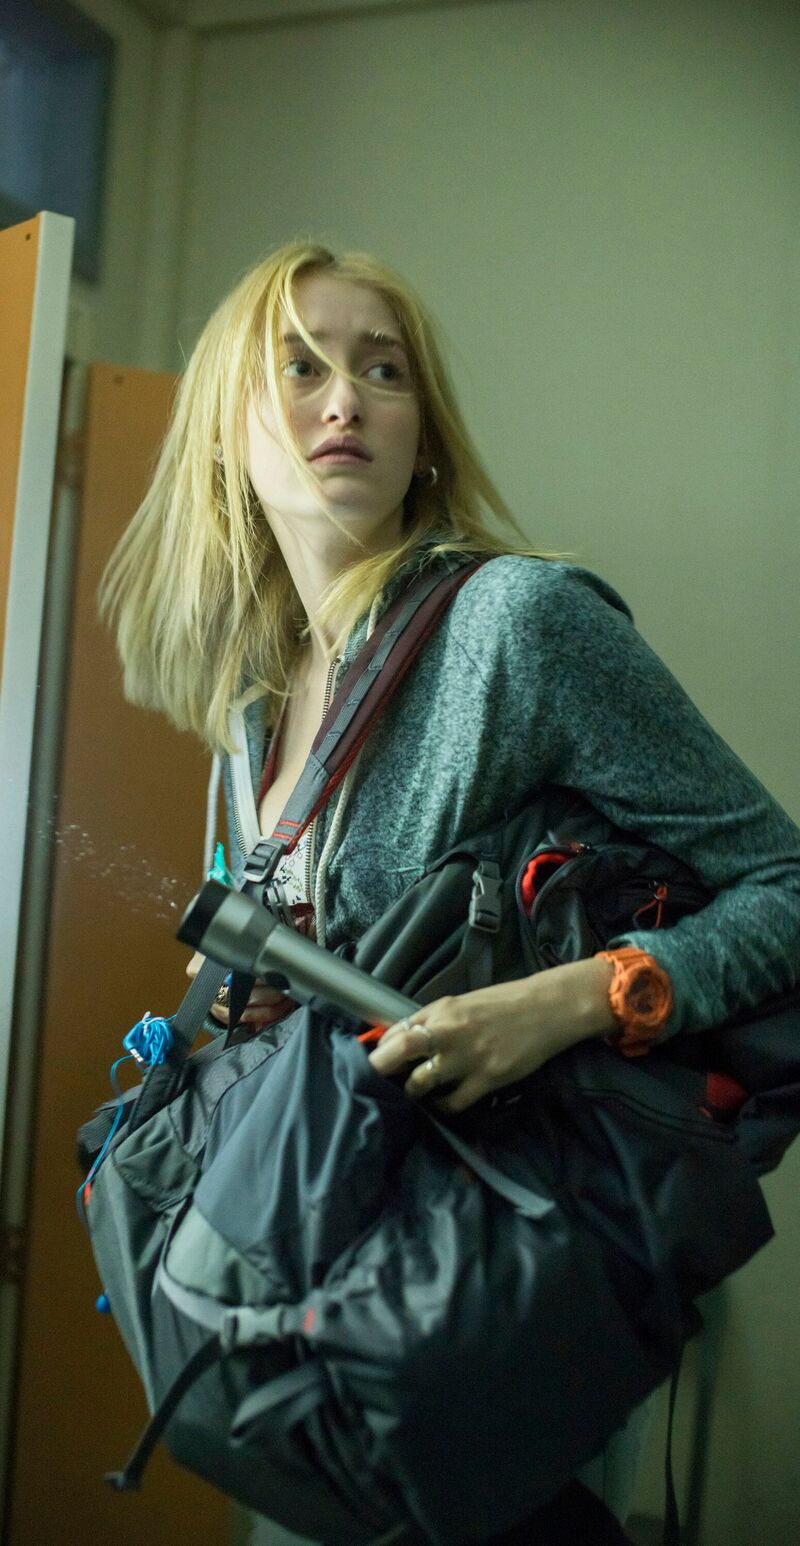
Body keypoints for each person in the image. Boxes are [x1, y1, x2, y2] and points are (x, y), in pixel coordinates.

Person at [99, 239, 800, 1545]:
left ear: (423, 435)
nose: (346, 400)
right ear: (224, 437)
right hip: (317, 1285)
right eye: (299, 367)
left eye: (385, 371)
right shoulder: (252, 705)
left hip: (489, 1293)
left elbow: (786, 888)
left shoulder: (519, 627)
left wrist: (569, 999)